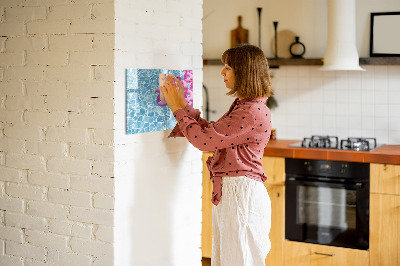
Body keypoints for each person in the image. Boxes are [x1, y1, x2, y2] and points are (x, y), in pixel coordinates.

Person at [161, 44, 273, 266]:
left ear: (244, 72)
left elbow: (204, 141)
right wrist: (182, 104)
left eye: (228, 67)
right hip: (236, 193)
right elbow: (212, 133)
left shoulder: (250, 111)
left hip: (241, 195)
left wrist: (176, 107)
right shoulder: (246, 106)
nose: (222, 72)